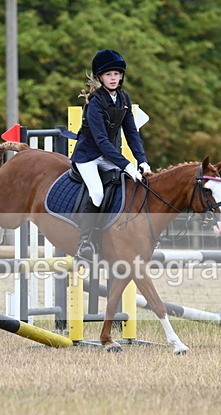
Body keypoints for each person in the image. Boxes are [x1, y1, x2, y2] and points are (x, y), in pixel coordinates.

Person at [70, 49, 152, 260]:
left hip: (107, 157)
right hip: (87, 156)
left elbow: (132, 134)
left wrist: (142, 161)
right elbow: (102, 142)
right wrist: (126, 164)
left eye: (116, 74)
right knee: (97, 192)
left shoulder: (123, 98)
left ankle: (116, 232)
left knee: (126, 186)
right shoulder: (95, 103)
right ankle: (85, 242)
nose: (113, 78)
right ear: (100, 77)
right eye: (108, 74)